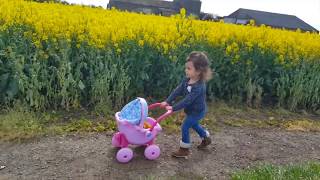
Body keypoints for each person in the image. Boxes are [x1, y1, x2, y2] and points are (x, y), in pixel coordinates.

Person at [161, 51, 213, 158]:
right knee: (194, 125)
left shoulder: (199, 87)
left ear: (198, 71)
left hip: (198, 111)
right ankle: (206, 137)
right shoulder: (187, 80)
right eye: (186, 68)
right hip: (191, 111)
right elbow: (177, 91)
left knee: (185, 126)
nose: (186, 70)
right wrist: (168, 101)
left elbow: (187, 101)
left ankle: (184, 149)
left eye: (189, 68)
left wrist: (173, 108)